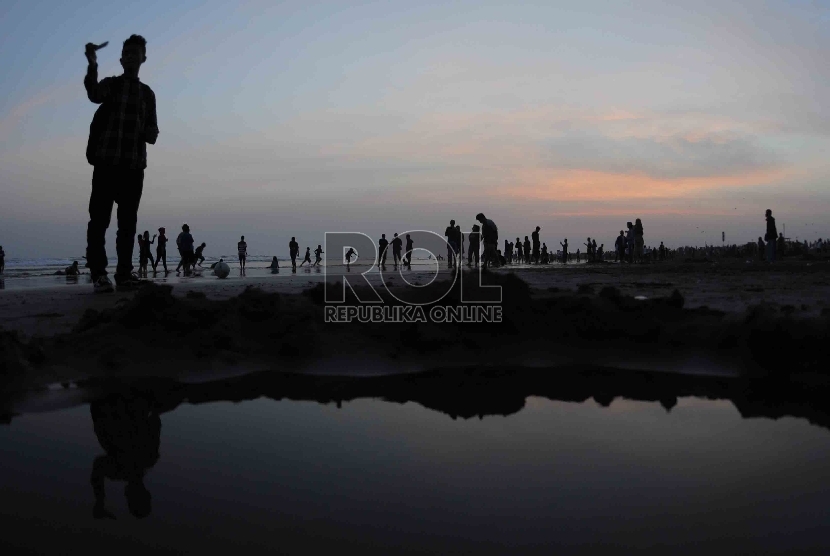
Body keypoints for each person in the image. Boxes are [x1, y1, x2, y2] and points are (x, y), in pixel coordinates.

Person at [84, 35, 159, 293]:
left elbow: (153, 131)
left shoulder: (148, 95)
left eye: (134, 53)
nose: (130, 57)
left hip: (134, 168)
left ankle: (124, 274)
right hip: (106, 164)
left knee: (127, 225)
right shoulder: (111, 85)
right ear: (120, 58)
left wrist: (150, 134)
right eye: (126, 53)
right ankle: (99, 275)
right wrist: (92, 62)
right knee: (99, 222)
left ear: (143, 58)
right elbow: (94, 94)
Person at [90, 393, 160, 519]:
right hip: (108, 404)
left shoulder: (149, 459)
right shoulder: (120, 470)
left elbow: (155, 421)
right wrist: (99, 500)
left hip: (110, 403)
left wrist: (100, 501)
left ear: (147, 494)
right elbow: (98, 467)